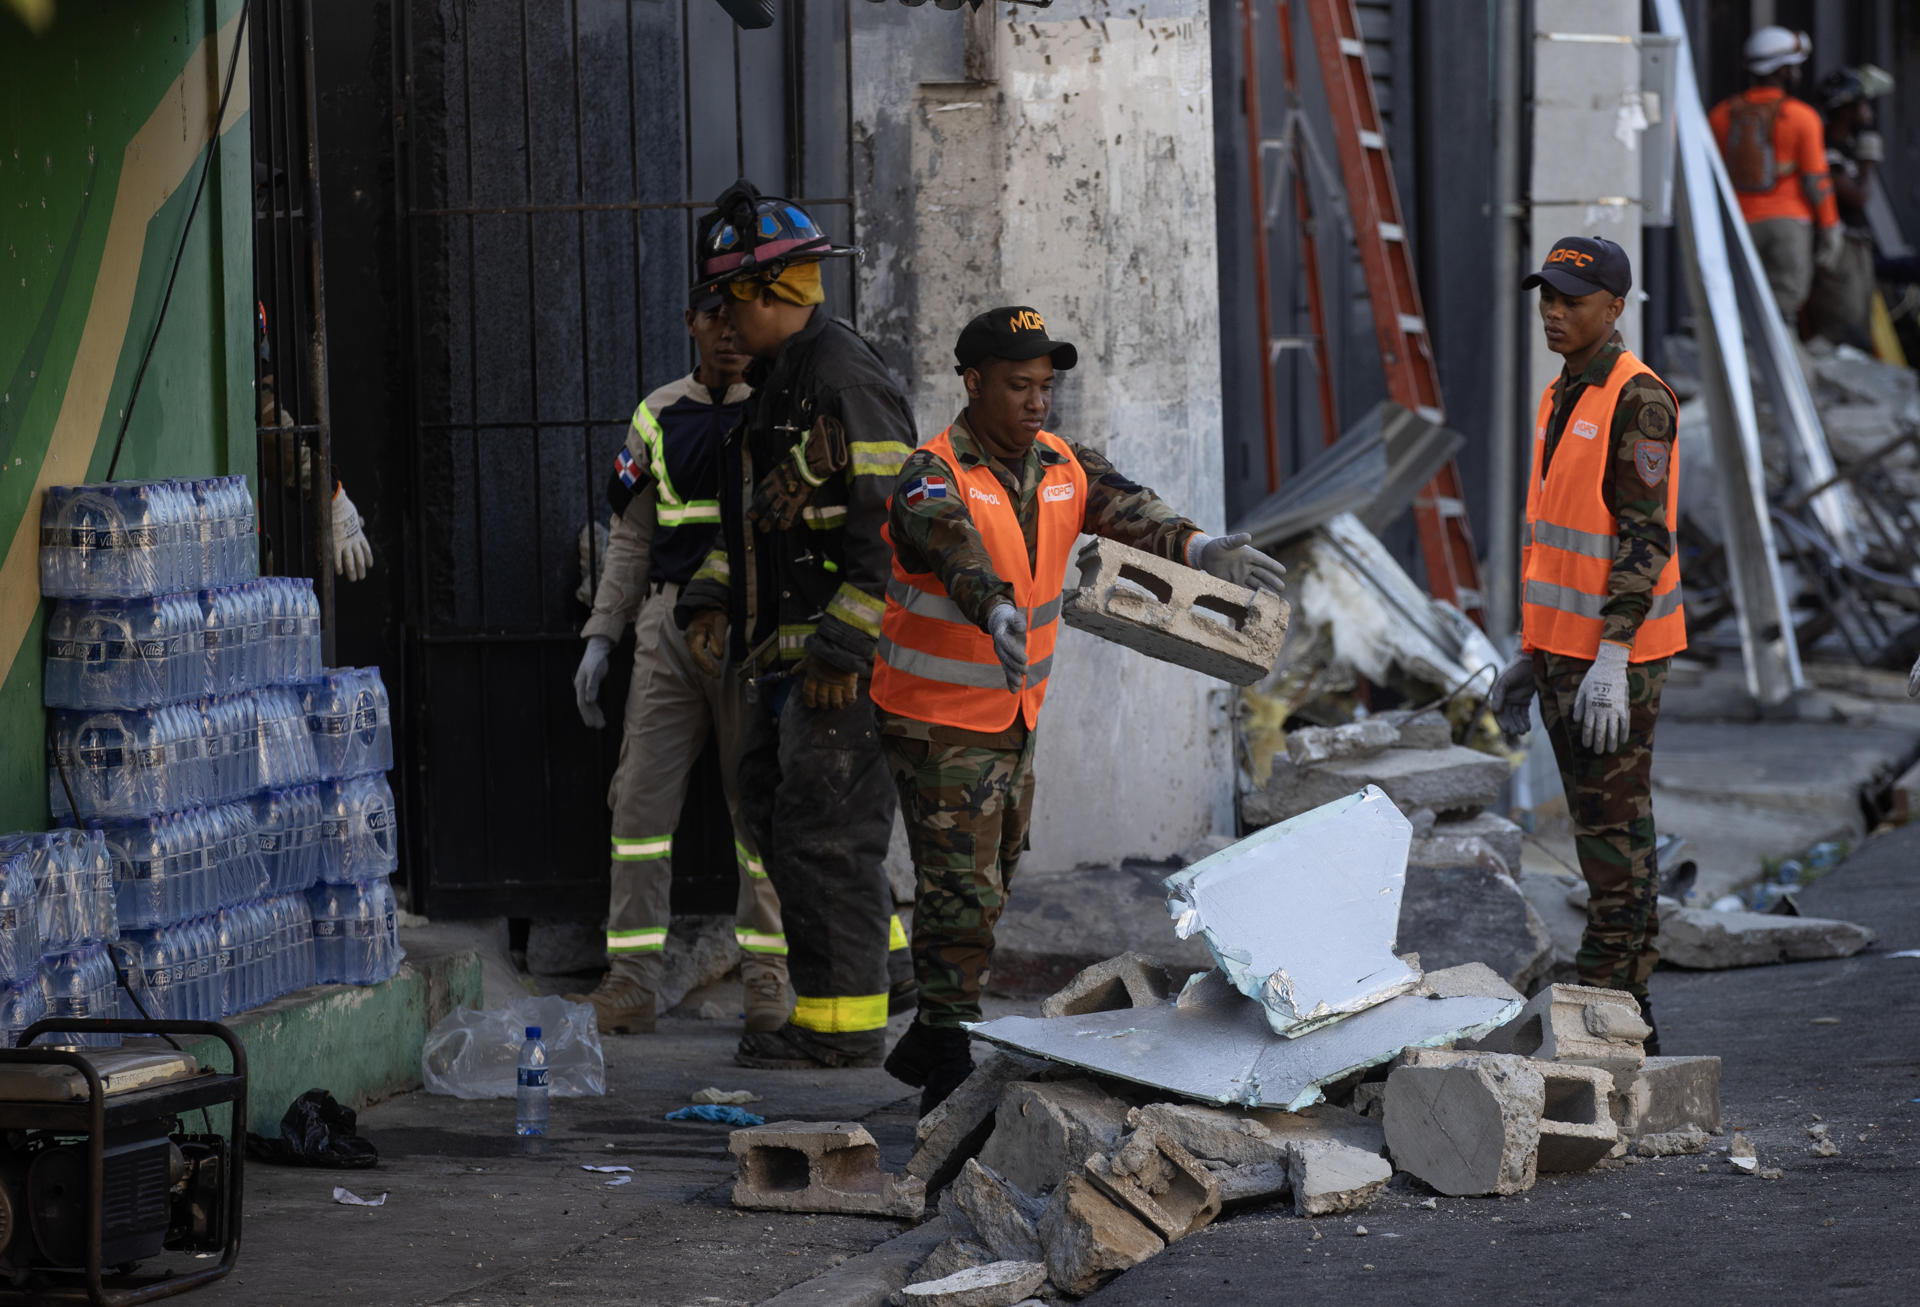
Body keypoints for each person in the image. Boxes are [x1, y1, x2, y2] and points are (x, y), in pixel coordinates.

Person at [873, 307, 1288, 1114]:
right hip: (935, 717)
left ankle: (932, 1024)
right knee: (959, 886)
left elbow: (1130, 507)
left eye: (1046, 386)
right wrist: (990, 606)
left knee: (992, 877)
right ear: (973, 383)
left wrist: (1204, 549)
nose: (1038, 402)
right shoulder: (932, 474)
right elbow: (949, 545)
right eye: (1019, 386)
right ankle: (948, 1065)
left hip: (1011, 709)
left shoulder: (1058, 462)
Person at [674, 179, 918, 1071]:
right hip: (791, 660)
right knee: (782, 814)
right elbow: (760, 531)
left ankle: (842, 1027)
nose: (722, 324)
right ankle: (885, 969)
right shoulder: (780, 382)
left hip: (842, 667)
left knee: (827, 833)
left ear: (781, 296)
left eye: (735, 304)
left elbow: (893, 527)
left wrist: (846, 644)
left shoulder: (842, 380)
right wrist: (709, 594)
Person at [568, 289, 789, 1036]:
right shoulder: (657, 414)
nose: (729, 335)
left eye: (741, 321)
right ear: (690, 323)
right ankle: (631, 981)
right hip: (667, 622)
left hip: (750, 624)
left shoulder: (778, 410)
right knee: (637, 807)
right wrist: (603, 634)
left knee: (753, 809)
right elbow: (629, 535)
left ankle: (769, 981)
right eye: (713, 319)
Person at [1489, 236, 1682, 1053]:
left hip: (1617, 661)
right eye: (1547, 297)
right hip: (1566, 654)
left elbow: (1643, 540)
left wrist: (1611, 654)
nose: (1553, 312)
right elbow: (1563, 542)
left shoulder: (1639, 400)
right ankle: (1627, 1018)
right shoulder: (1561, 395)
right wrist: (1532, 657)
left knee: (1616, 845)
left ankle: (1610, 1005)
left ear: (1615, 306)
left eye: (1571, 299)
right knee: (1603, 835)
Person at [1709, 25, 1843, 325]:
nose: (1797, 74)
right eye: (1794, 68)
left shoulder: (1720, 115)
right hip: (1789, 225)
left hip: (1738, 224)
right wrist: (1831, 227)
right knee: (1782, 311)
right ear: (1783, 71)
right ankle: (1779, 366)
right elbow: (1817, 181)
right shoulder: (1802, 117)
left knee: (1739, 307)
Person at [1809, 65, 1894, 349]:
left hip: (1856, 243)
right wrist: (1867, 165)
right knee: (1841, 317)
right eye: (1861, 104)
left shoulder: (1848, 147)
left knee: (1860, 314)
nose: (1867, 111)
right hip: (1839, 244)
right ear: (1845, 109)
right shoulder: (1827, 148)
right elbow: (1856, 197)